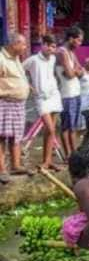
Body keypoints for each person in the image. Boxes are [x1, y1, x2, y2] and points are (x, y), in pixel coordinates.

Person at [23, 34, 63, 171]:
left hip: (54, 95)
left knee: (51, 130)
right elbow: (21, 71)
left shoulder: (52, 59)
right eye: (50, 46)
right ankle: (46, 161)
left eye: (54, 46)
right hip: (41, 98)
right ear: (43, 44)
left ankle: (47, 161)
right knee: (50, 129)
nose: (52, 49)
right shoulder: (33, 60)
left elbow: (52, 74)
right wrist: (30, 86)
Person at [0, 33, 31, 181]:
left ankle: (15, 165)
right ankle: (2, 169)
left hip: (18, 103)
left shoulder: (16, 58)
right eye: (23, 44)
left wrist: (26, 86)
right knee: (1, 137)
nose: (25, 48)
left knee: (16, 136)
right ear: (14, 44)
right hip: (4, 102)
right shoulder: (1, 58)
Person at [56, 26, 85, 157]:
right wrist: (76, 72)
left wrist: (76, 72)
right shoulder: (62, 52)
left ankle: (74, 153)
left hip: (75, 93)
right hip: (66, 94)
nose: (80, 43)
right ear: (71, 39)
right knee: (66, 127)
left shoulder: (71, 53)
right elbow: (69, 74)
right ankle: (68, 155)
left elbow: (81, 71)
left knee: (73, 126)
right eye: (78, 40)